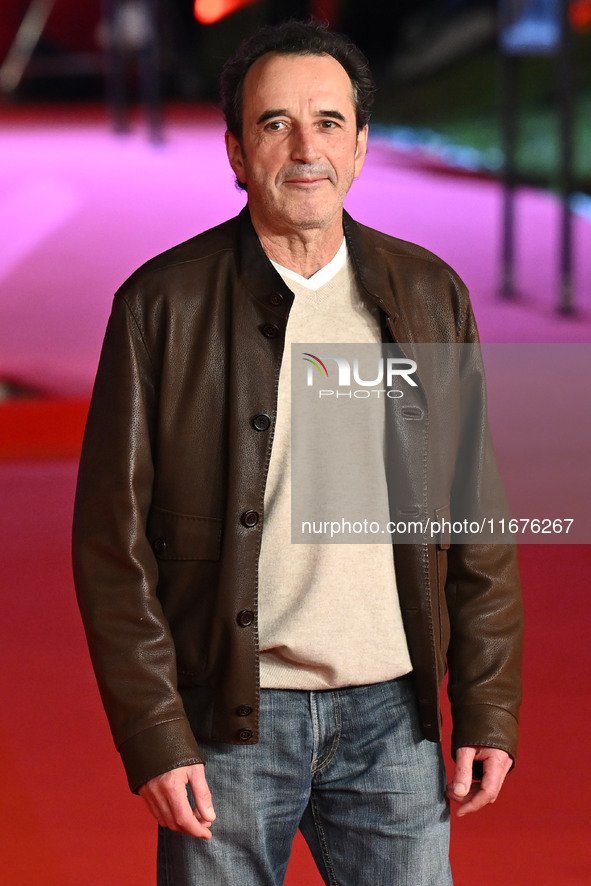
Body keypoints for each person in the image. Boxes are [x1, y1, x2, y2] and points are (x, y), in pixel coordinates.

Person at [72, 19, 523, 886]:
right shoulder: (159, 306)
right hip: (229, 728)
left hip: (395, 721)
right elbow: (111, 546)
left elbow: (477, 522)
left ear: (358, 146)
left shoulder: (429, 294)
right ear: (237, 152)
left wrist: (488, 707)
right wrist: (154, 734)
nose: (304, 146)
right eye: (275, 123)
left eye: (327, 122)